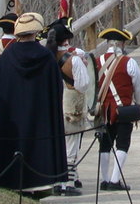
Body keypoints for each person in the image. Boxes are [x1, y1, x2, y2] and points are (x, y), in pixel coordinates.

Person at [0, 12, 67, 191]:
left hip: (10, 123)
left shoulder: (6, 58)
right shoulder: (47, 57)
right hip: (39, 122)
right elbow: (56, 91)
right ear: (36, 32)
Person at [96, 28, 140, 192]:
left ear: (108, 43)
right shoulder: (129, 62)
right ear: (122, 44)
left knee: (105, 144)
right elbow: (138, 88)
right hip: (123, 110)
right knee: (122, 143)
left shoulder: (97, 61)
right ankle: (115, 180)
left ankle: (105, 179)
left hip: (104, 111)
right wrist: (137, 102)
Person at [46, 17, 90, 197]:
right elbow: (84, 85)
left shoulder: (47, 57)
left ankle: (57, 181)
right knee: (71, 147)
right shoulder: (74, 60)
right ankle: (68, 183)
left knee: (58, 145)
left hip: (54, 104)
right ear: (67, 40)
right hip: (72, 104)